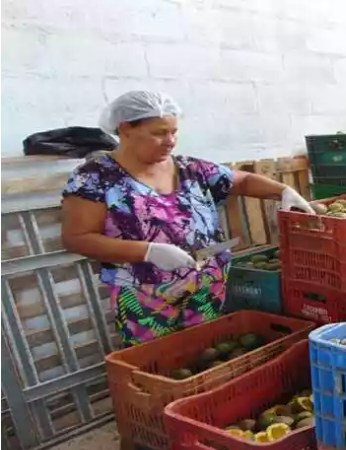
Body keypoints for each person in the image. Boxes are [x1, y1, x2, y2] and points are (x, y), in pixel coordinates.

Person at [61, 90, 314, 347]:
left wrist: (282, 191)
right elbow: (77, 239)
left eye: (174, 132)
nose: (170, 141)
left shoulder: (190, 169)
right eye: (159, 133)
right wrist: (147, 251)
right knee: (162, 359)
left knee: (209, 352)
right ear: (125, 129)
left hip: (207, 287)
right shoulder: (95, 177)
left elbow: (244, 181)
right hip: (145, 296)